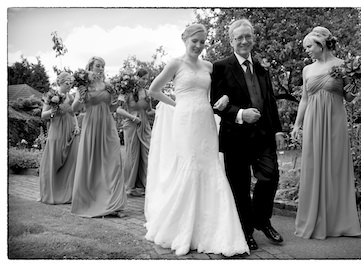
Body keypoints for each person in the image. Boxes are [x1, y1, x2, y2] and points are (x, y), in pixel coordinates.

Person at [144, 24, 249, 257]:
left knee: (210, 166)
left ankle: (215, 230)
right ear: (185, 39)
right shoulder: (175, 64)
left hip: (205, 120)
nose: (199, 46)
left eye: (203, 42)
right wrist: (177, 105)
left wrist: (223, 98)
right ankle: (182, 229)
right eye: (195, 41)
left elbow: (222, 90)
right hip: (185, 121)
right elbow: (154, 90)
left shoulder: (209, 66)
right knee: (189, 166)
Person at [211, 19, 285, 250]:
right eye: (239, 37)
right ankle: (245, 231)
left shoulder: (263, 68)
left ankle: (262, 220)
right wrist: (241, 113)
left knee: (270, 177)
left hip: (263, 136)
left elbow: (270, 102)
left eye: (248, 36)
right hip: (235, 137)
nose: (244, 41)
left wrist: (278, 129)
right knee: (240, 188)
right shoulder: (220, 67)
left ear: (253, 38)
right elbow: (214, 103)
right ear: (231, 40)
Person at [290, 26, 361, 239]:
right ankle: (315, 219)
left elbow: (350, 98)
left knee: (336, 167)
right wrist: (296, 125)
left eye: (309, 46)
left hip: (335, 121)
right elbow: (304, 99)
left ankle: (338, 222)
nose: (307, 51)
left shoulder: (342, 66)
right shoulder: (307, 70)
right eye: (305, 48)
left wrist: (357, 79)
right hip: (313, 121)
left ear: (321, 44)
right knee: (313, 167)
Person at [71, 56, 127, 218]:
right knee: (93, 163)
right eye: (98, 65)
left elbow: (113, 108)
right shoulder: (83, 86)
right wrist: (80, 95)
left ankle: (115, 204)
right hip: (91, 127)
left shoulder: (108, 86)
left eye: (103, 66)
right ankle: (91, 201)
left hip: (108, 127)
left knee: (114, 162)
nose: (101, 68)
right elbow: (75, 108)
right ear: (90, 66)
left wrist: (120, 99)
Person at [38, 72, 80, 204]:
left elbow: (73, 113)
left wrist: (77, 125)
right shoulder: (51, 96)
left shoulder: (71, 96)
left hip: (70, 130)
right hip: (56, 131)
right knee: (54, 160)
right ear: (60, 83)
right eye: (67, 83)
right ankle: (51, 192)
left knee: (70, 161)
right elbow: (43, 115)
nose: (69, 85)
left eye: (70, 83)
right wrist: (52, 111)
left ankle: (67, 192)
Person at [116, 69, 154, 197]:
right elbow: (118, 110)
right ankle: (130, 186)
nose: (144, 81)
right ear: (136, 77)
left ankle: (147, 184)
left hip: (145, 126)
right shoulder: (126, 91)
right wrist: (132, 117)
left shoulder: (147, 92)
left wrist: (164, 110)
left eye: (146, 79)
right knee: (132, 156)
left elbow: (149, 111)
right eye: (142, 78)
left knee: (148, 154)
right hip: (131, 125)